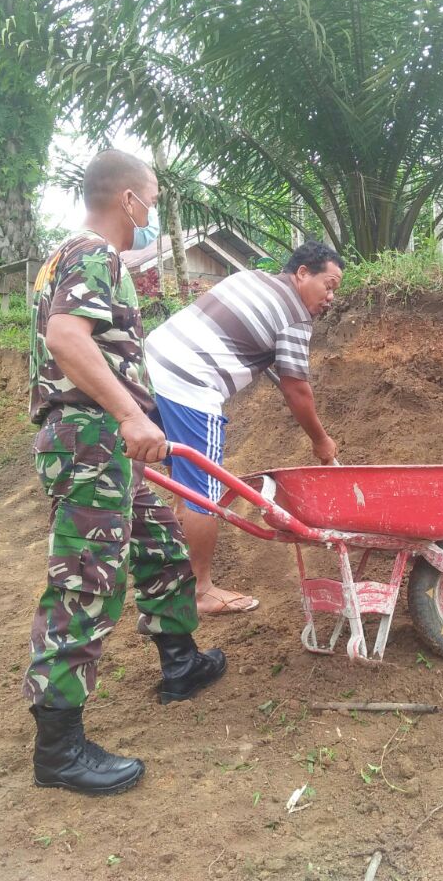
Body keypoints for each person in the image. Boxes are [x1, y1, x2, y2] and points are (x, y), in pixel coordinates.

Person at [24, 149, 226, 796]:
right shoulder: (94, 254)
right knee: (86, 579)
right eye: (153, 198)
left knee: (159, 543)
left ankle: (181, 663)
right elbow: (65, 337)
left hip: (105, 442)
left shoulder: (66, 256)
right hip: (93, 437)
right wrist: (130, 416)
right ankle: (58, 748)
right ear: (128, 201)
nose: (154, 211)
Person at [144, 242, 343, 615]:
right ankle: (200, 589)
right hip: (190, 382)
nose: (330, 297)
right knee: (204, 491)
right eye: (328, 285)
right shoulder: (295, 316)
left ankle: (175, 569)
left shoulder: (252, 278)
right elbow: (297, 388)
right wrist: (321, 441)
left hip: (150, 363)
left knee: (183, 486)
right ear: (302, 273)